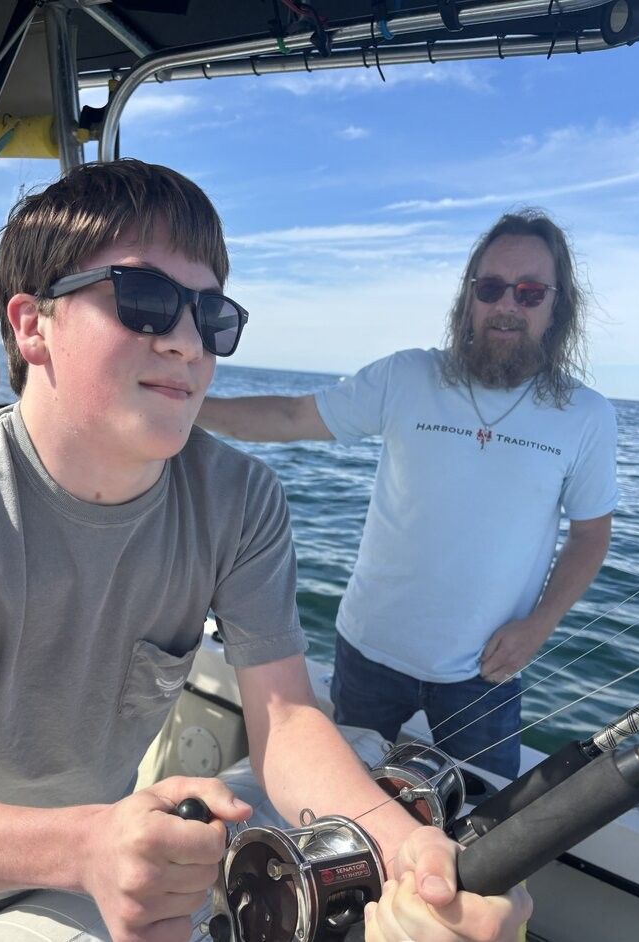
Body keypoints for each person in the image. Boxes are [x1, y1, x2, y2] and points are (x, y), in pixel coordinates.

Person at [0, 161, 529, 942]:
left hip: (116, 870)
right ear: (33, 325)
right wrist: (88, 845)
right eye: (146, 301)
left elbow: (288, 719)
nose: (189, 343)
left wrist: (417, 863)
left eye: (211, 316)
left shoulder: (240, 500)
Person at [198, 208, 617, 780]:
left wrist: (539, 626)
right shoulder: (407, 377)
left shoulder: (586, 416)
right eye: (491, 288)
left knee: (481, 830)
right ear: (469, 298)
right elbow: (292, 414)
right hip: (369, 654)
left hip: (486, 673)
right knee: (345, 818)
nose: (507, 307)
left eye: (529, 292)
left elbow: (591, 535)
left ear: (557, 304)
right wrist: (184, 407)